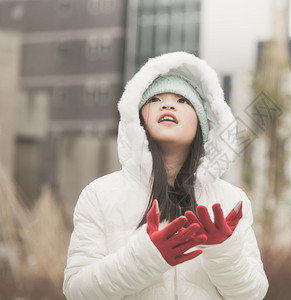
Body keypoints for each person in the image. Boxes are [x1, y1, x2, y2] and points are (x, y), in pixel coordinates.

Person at [63, 52, 269, 299]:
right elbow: (76, 291)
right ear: (136, 119)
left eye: (183, 101)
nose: (168, 105)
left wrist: (223, 250)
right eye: (155, 99)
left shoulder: (231, 201)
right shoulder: (99, 195)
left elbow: (253, 294)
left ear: (203, 124)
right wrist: (146, 258)